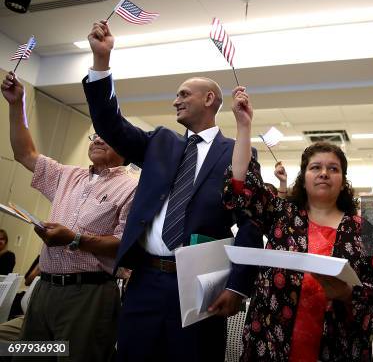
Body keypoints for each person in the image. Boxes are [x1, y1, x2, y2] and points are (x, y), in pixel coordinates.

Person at [83, 21, 261, 361]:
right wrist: (101, 62)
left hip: (201, 286)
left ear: (209, 99)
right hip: (144, 281)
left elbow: (250, 225)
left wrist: (236, 285)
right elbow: (110, 123)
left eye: (183, 94)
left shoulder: (239, 152)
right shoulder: (159, 143)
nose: (174, 101)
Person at [224, 87, 373, 361]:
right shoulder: (282, 214)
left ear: (343, 180)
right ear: (304, 176)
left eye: (333, 169)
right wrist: (244, 127)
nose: (324, 173)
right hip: (273, 341)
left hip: (336, 346)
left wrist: (349, 294)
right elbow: (242, 189)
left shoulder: (363, 229)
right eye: (315, 167)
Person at [1, 72, 138, 362]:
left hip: (88, 294)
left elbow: (125, 243)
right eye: (95, 134)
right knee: (28, 357)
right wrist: (17, 104)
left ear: (125, 147)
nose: (98, 138)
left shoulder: (134, 186)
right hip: (45, 288)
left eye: (107, 134)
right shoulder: (68, 175)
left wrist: (75, 239)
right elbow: (24, 153)